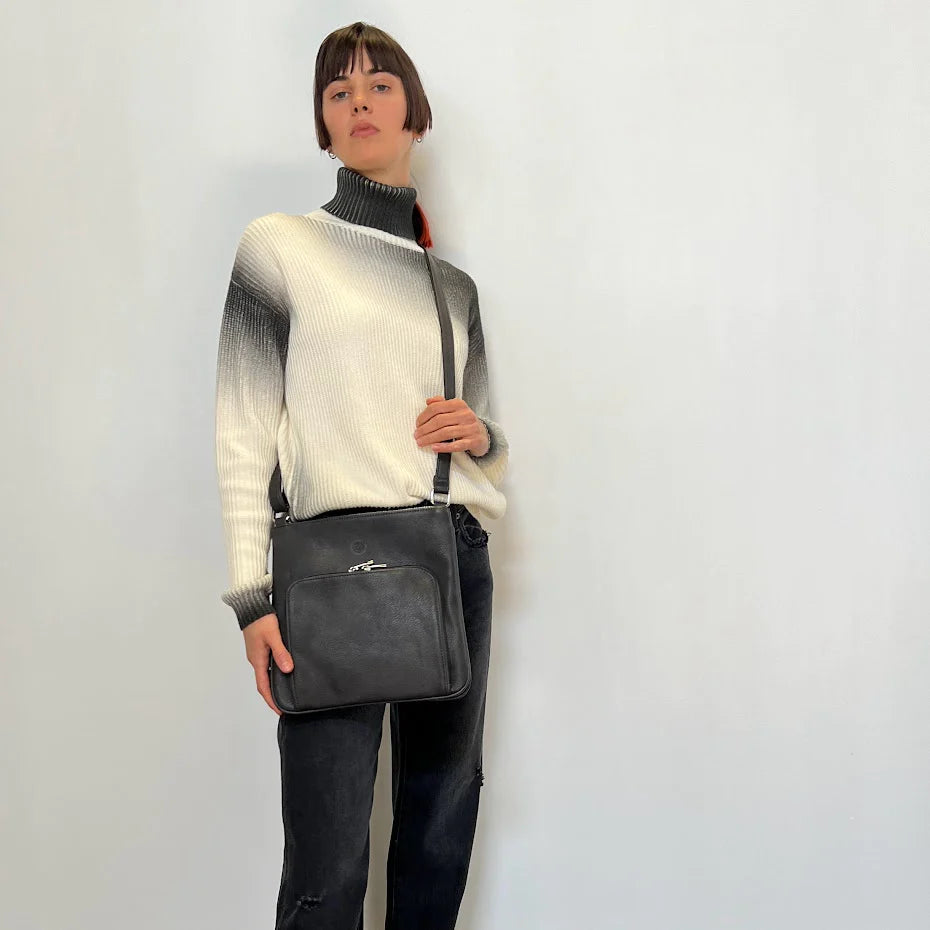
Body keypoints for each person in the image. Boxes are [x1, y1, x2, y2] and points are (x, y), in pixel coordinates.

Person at [213, 21, 509, 930]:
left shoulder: (452, 288)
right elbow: (243, 428)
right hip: (331, 568)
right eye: (337, 91)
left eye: (380, 85)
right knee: (328, 847)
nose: (359, 102)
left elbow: (479, 440)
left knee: (439, 822)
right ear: (323, 123)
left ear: (414, 113)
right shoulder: (279, 246)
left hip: (450, 553)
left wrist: (482, 435)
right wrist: (252, 596)